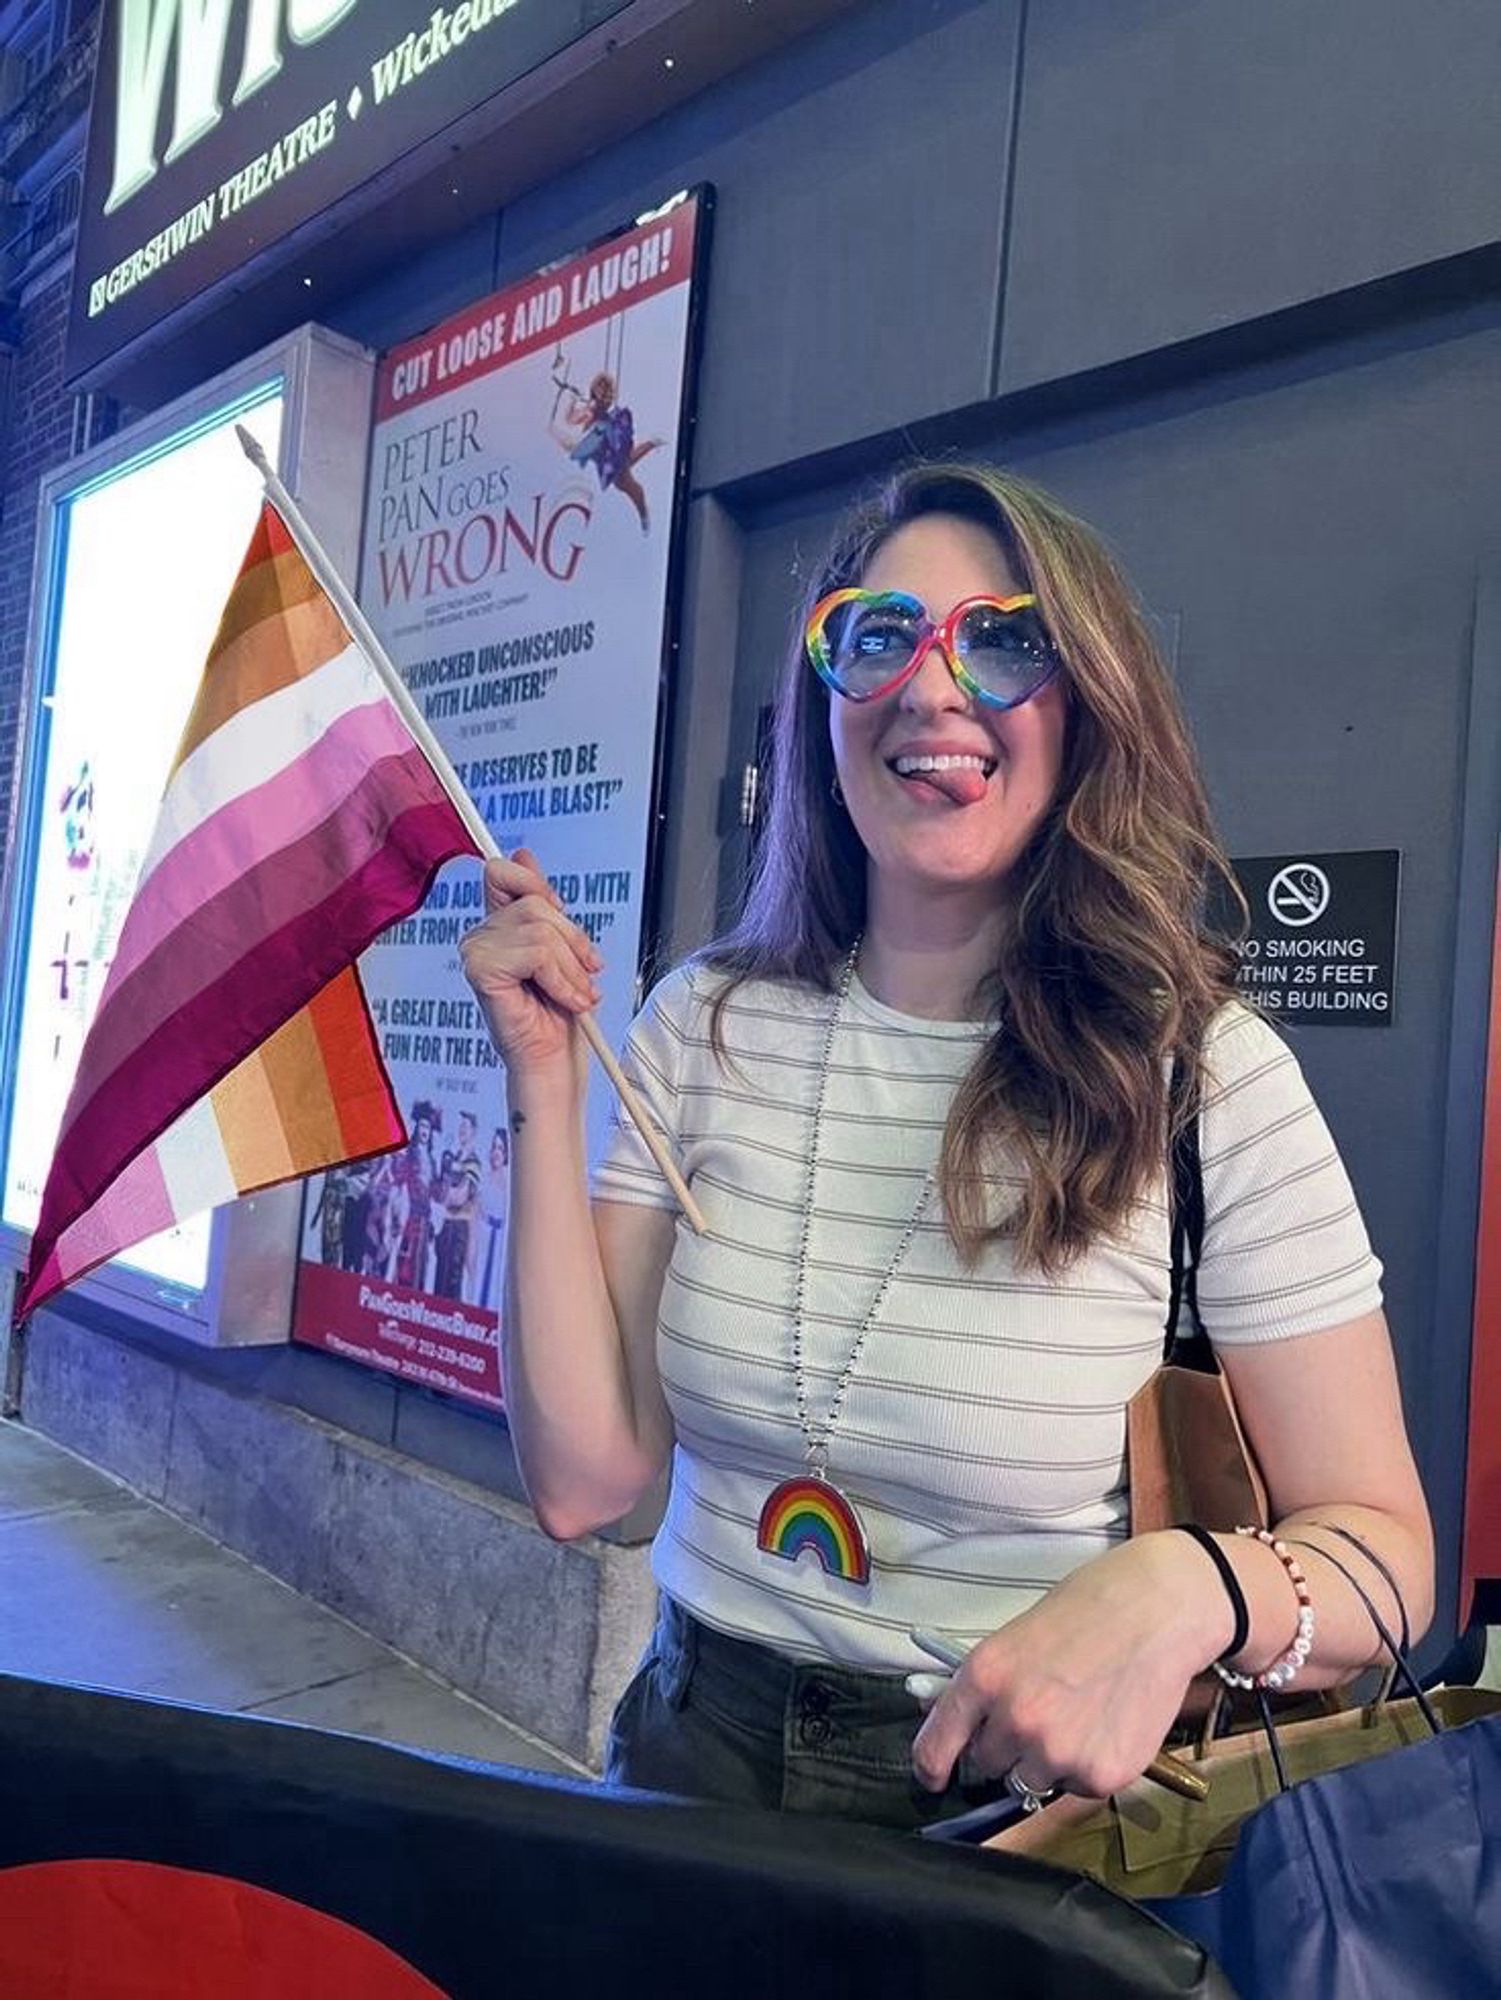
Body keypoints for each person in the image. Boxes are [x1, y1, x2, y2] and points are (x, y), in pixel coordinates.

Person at [459, 462, 1434, 1830]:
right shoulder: (707, 1024)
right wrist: (544, 1084)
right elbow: (585, 1484)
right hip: (692, 1757)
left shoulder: (1203, 1079)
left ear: (1085, 704)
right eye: (877, 634)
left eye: (1001, 637)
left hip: (1015, 1811)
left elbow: (1388, 1568)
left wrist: (1185, 1589)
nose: (932, 686)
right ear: (825, 703)